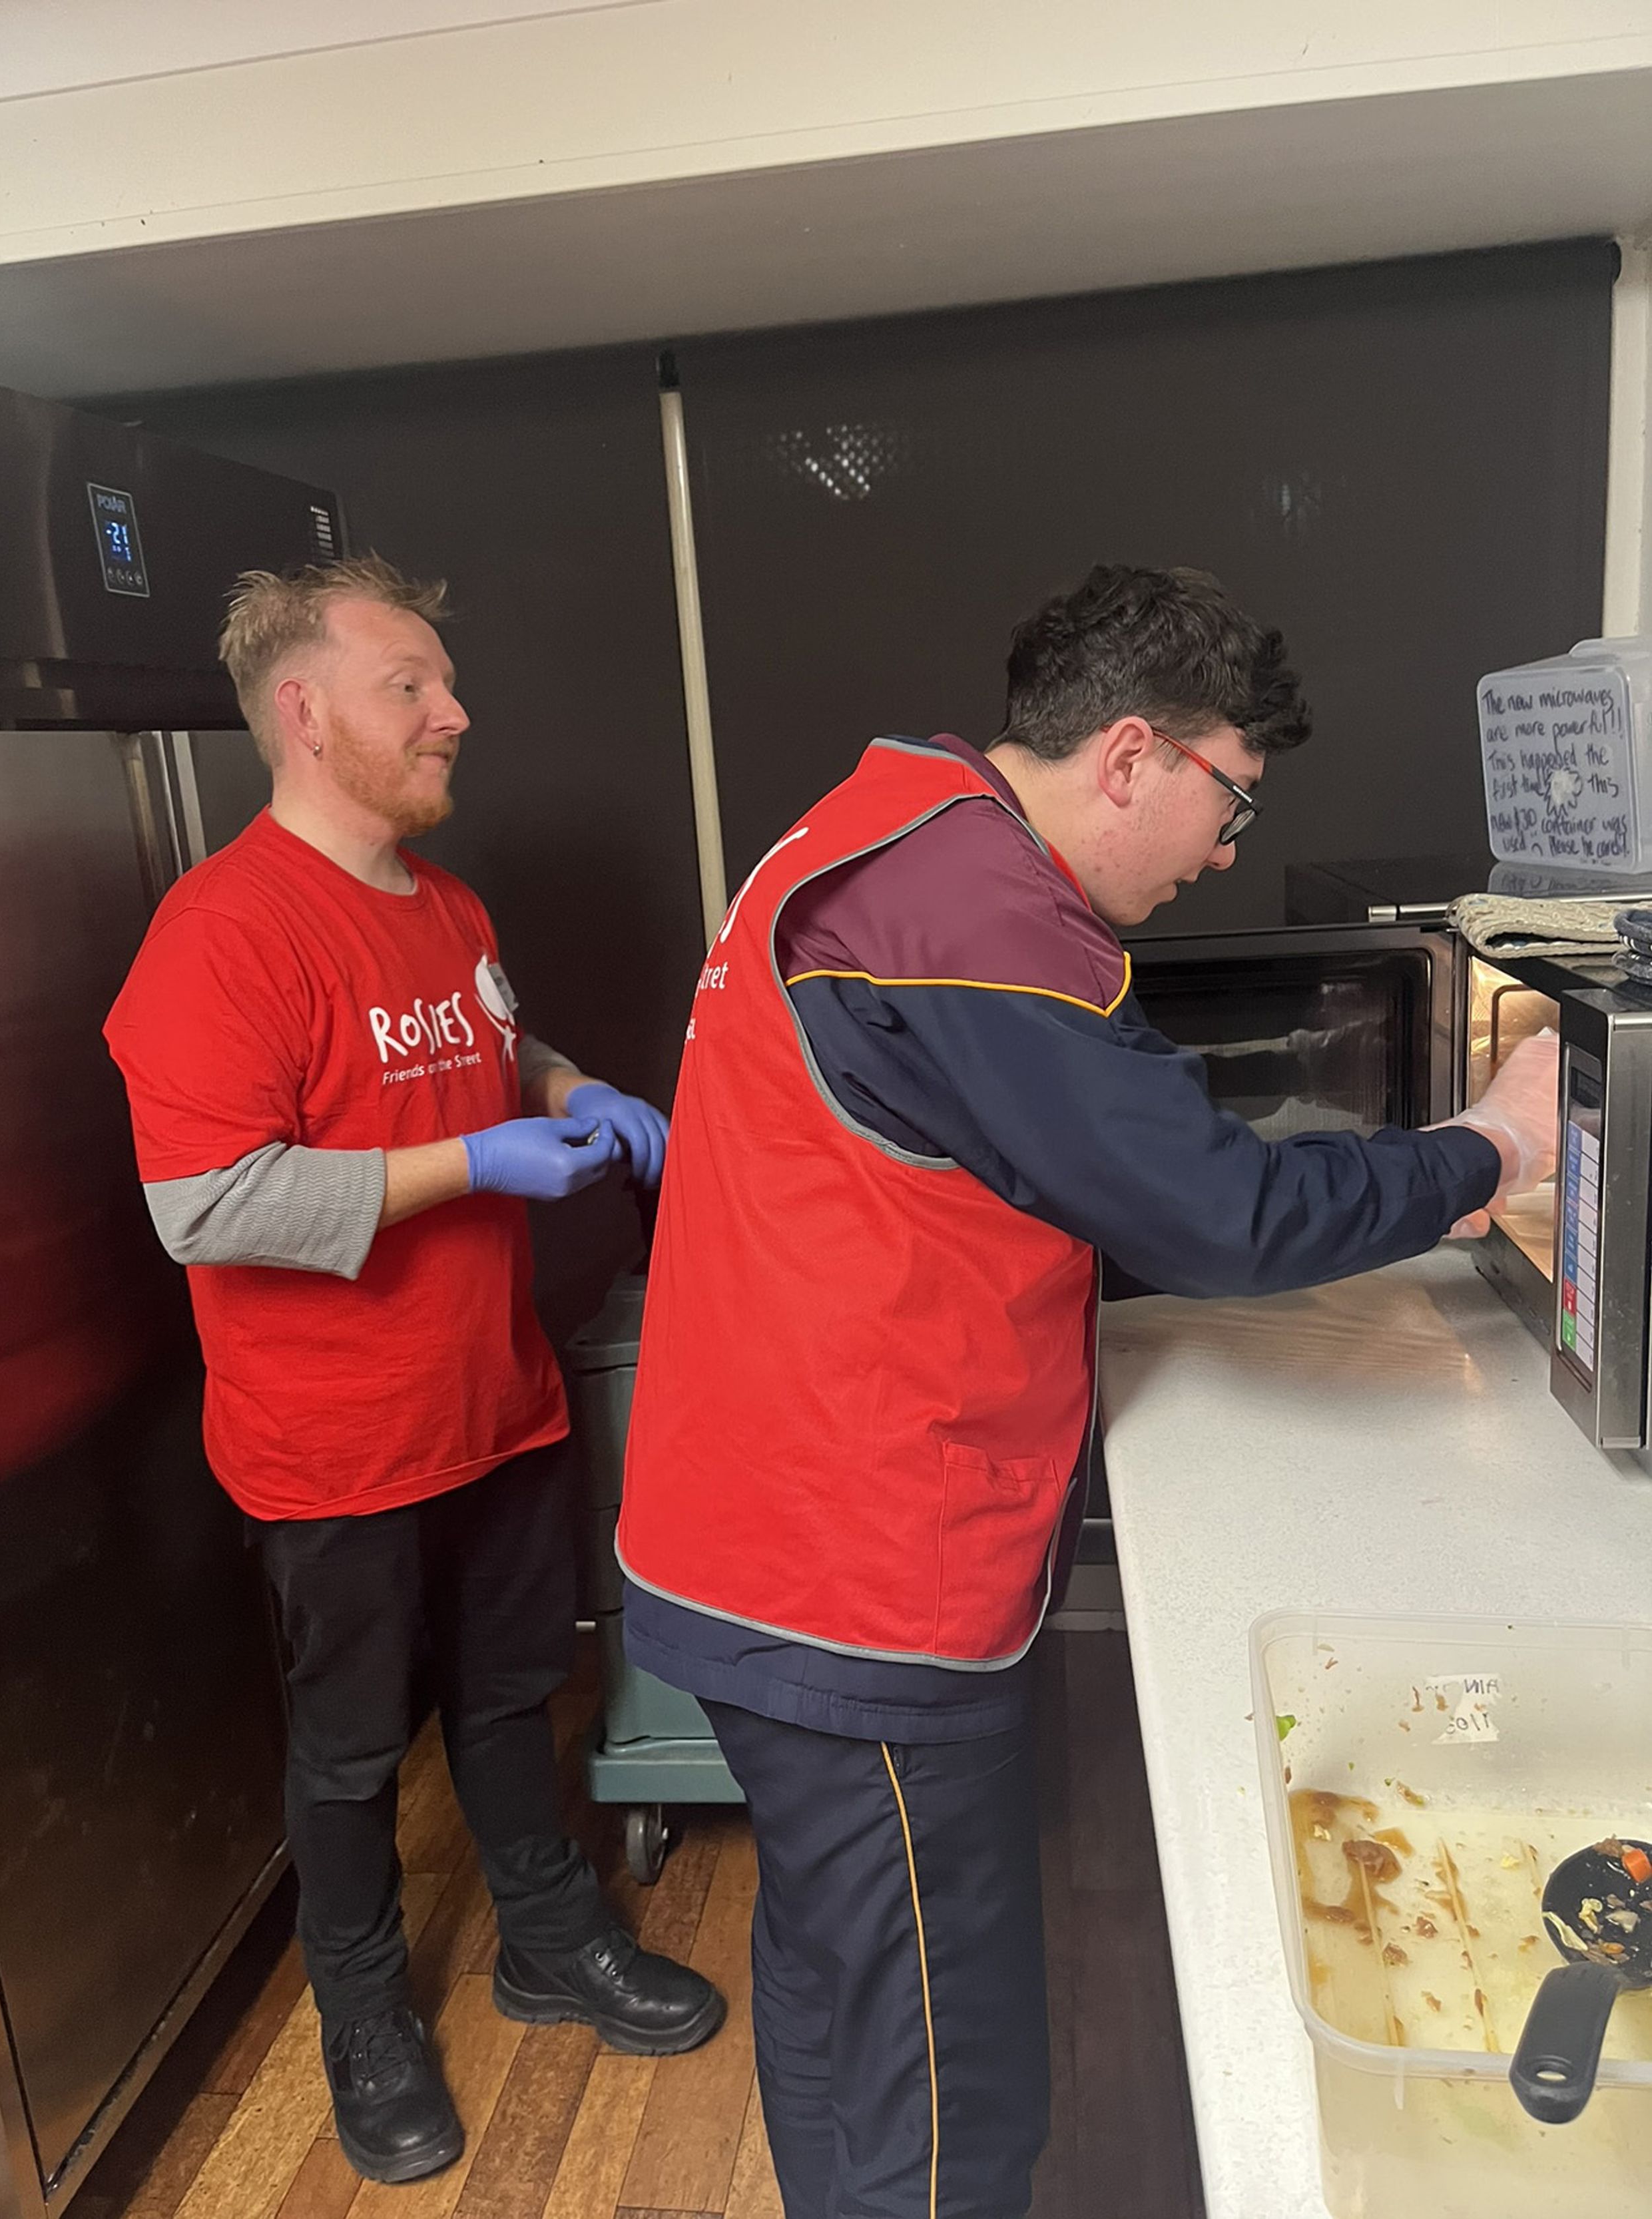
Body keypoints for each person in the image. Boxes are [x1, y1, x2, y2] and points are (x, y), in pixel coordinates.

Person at [617, 563, 1557, 2219]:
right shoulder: (972, 908)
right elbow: (1213, 1213)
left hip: (750, 1539)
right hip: (861, 1582)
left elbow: (1001, 1174)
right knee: (948, 2090)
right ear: (1131, 754)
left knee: (842, 1992)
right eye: (1228, 800)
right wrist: (1491, 1146)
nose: (1222, 851)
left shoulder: (886, 832)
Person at [104, 555, 723, 2188]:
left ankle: (548, 1939)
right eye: (412, 687)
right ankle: (365, 2014)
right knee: (351, 1752)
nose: (454, 713)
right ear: (305, 713)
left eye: (444, 684)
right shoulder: (220, 933)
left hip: (495, 1401)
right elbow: (203, 1204)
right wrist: (469, 1166)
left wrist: (570, 1089)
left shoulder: (446, 908)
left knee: (511, 1694)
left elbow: (490, 1048)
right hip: (335, 1447)